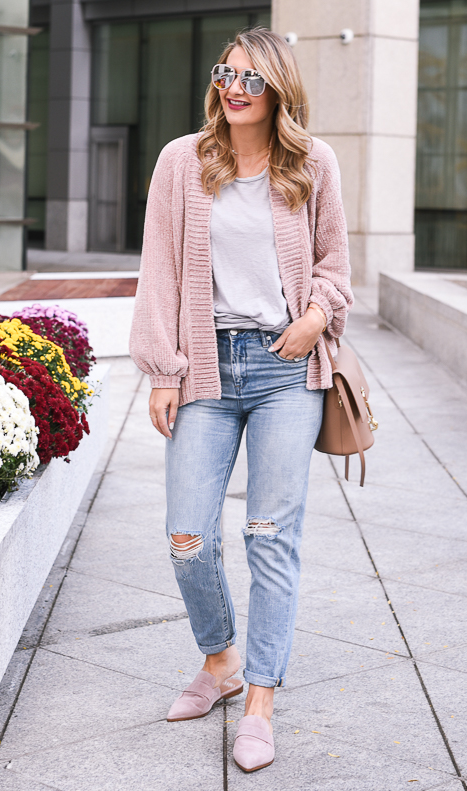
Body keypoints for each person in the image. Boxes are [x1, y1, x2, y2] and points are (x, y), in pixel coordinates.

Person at [129, 27, 353, 773]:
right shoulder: (182, 162)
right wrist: (164, 367)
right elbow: (158, 268)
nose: (234, 87)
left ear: (278, 89)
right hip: (206, 367)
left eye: (251, 79)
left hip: (287, 370)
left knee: (269, 534)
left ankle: (260, 698)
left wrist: (315, 317)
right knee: (187, 535)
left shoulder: (313, 164)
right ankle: (220, 661)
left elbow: (335, 263)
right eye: (227, 73)